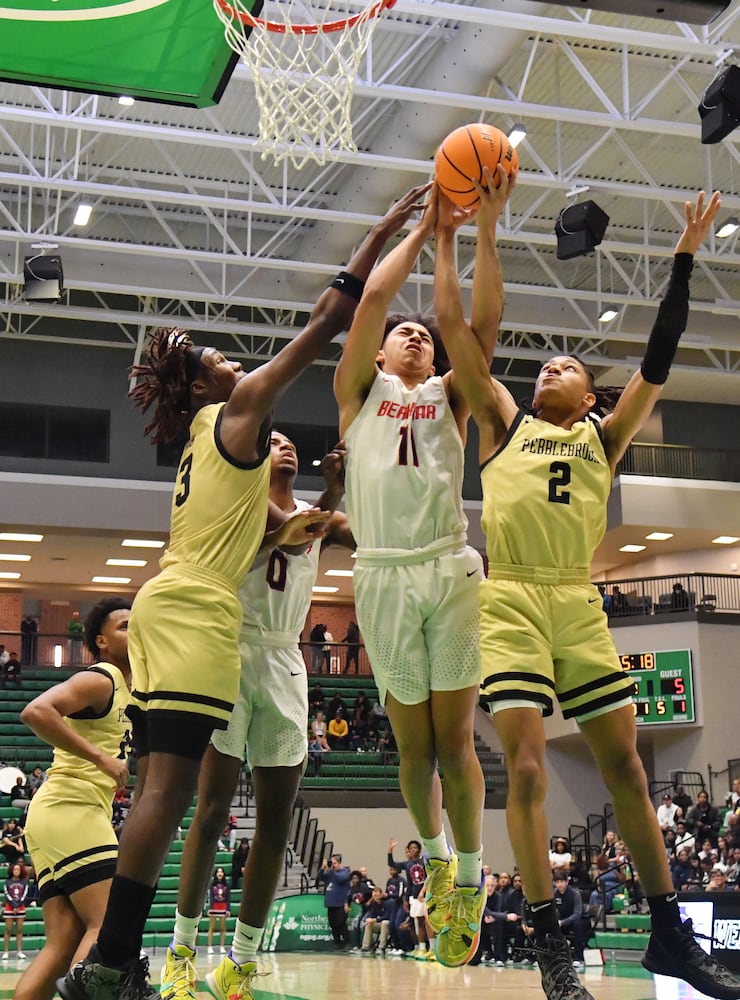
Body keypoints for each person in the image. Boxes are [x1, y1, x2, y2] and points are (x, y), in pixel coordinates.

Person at [58, 186, 425, 1000]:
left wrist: (317, 510)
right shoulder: (237, 411)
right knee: (171, 792)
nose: (232, 361)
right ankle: (113, 965)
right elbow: (328, 321)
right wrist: (381, 235)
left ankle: (121, 960)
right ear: (202, 387)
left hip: (170, 604)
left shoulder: (200, 438)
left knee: (166, 785)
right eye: (217, 361)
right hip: (197, 614)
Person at [434, 181, 739, 1000]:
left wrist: (682, 258)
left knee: (630, 773)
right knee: (529, 771)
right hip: (511, 601)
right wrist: (472, 234)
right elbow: (459, 336)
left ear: (590, 397)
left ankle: (670, 935)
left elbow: (661, 356)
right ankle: (548, 949)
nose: (549, 368)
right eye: (544, 363)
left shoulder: (606, 438)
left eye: (565, 366)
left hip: (577, 599)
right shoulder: (503, 423)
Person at [334, 170, 511, 969]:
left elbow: (481, 322)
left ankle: (469, 880)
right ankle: (436, 860)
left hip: (446, 565)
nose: (416, 335)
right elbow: (371, 298)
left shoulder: (451, 395)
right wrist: (421, 226)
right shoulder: (357, 394)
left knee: (455, 745)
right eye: (402, 332)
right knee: (413, 753)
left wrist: (468, 234)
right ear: (376, 352)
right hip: (382, 574)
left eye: (424, 334)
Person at [158, 431, 355, 1000]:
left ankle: (240, 963)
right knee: (212, 811)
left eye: (290, 440)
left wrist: (348, 484)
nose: (285, 445)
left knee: (275, 820)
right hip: (230, 650)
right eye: (271, 441)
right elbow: (295, 539)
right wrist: (334, 493)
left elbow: (346, 533)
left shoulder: (320, 515)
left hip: (285, 658)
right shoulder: (239, 502)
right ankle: (181, 954)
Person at [16, 598, 137, 1000]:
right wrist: (101, 757)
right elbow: (36, 711)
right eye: (123, 626)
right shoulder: (102, 678)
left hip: (56, 815)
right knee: (107, 925)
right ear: (101, 641)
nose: (133, 630)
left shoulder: (134, 688)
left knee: (63, 942)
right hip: (72, 808)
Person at [552, 871, 591, 968]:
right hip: (563, 921)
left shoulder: (575, 894)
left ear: (567, 882)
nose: (560, 884)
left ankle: (578, 958)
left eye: (562, 881)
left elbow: (577, 914)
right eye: (557, 882)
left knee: (578, 925)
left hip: (581, 920)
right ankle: (555, 957)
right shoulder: (554, 894)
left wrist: (562, 922)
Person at [315, 855, 351, 950]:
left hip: (340, 903)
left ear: (339, 863)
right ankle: (337, 942)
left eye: (334, 863)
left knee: (340, 923)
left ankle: (347, 942)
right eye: (332, 863)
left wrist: (331, 870)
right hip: (331, 903)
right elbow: (319, 877)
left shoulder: (345, 872)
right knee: (333, 924)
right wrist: (323, 868)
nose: (333, 865)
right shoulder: (330, 873)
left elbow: (340, 879)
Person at [3, 861, 28, 961]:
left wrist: (18, 905)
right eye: (15, 869)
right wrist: (13, 905)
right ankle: (6, 951)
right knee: (8, 930)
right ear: (11, 870)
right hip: (9, 908)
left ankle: (19, 951)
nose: (16, 871)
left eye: (18, 869)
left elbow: (25, 895)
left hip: (20, 908)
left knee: (19, 930)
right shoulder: (7, 882)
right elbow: (7, 894)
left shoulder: (24, 882)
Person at [360, 885, 393, 954]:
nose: (376, 897)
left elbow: (387, 916)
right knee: (369, 924)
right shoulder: (374, 903)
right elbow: (372, 913)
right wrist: (369, 919)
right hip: (379, 923)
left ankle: (381, 947)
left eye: (377, 894)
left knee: (384, 922)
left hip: (389, 924)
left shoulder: (388, 902)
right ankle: (365, 947)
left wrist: (375, 920)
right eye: (374, 895)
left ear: (381, 894)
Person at [206, 868, 230, 955]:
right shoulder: (212, 885)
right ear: (215, 874)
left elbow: (228, 898)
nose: (220, 873)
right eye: (218, 872)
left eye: (221, 872)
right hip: (214, 906)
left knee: (222, 928)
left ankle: (222, 946)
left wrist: (228, 909)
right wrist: (211, 908)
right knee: (212, 927)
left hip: (223, 907)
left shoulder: (226, 885)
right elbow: (211, 897)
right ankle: (209, 946)